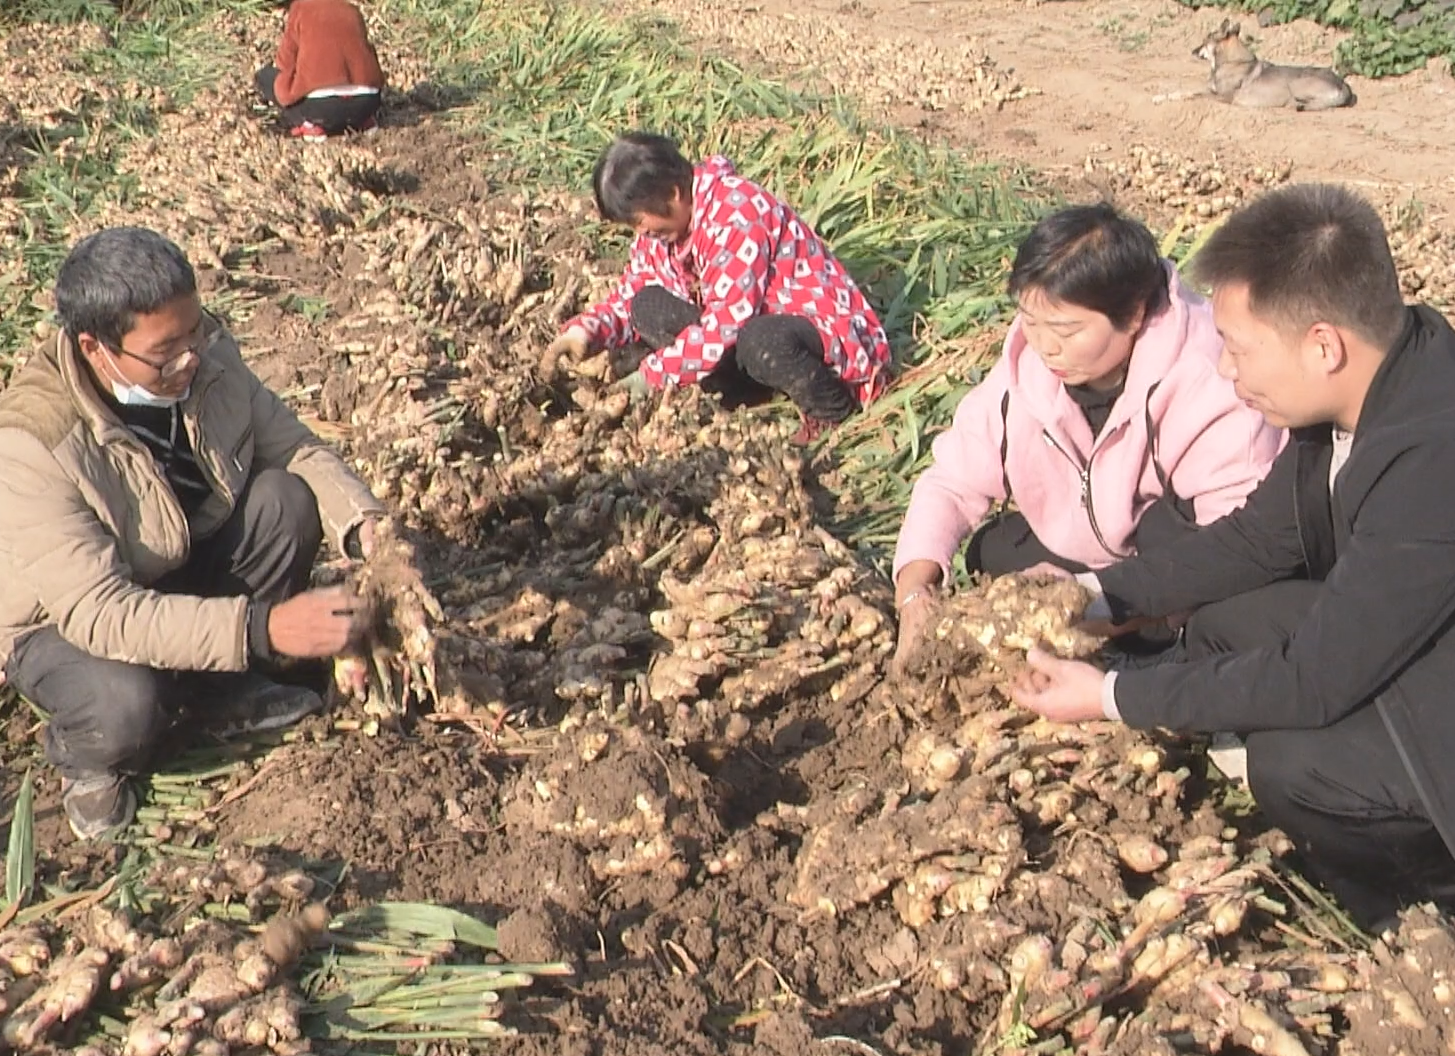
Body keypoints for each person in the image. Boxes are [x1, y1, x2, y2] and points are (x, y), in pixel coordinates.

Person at [1012, 183, 1455, 974]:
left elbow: (1315, 682)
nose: (1227, 372)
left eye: (1238, 348)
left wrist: (1104, 699)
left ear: (1322, 345)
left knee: (1294, 766)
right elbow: (1256, 541)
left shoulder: (1442, 458)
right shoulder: (1375, 384)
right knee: (1238, 623)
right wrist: (1095, 598)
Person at [0, 227, 389, 841]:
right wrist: (262, 628)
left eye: (194, 332)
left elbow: (292, 446)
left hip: (176, 561)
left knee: (286, 501)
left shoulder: (205, 354)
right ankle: (87, 757)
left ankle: (224, 691)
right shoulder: (31, 440)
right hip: (64, 623)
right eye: (168, 350)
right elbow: (101, 613)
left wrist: (366, 523)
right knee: (125, 705)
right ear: (95, 347)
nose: (192, 356)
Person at [891, 205, 1282, 670]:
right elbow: (953, 481)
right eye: (1029, 322)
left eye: (1066, 331)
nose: (1044, 346)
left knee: (1199, 584)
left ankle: (1148, 659)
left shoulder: (1206, 377)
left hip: (1169, 574)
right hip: (1085, 558)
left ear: (1134, 314)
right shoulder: (1028, 360)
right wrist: (914, 593)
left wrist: (1089, 607)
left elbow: (1233, 547)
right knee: (990, 549)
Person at [540, 133, 892, 445]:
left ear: (674, 194)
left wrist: (650, 377)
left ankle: (831, 408)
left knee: (761, 341)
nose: (642, 235)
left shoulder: (737, 213)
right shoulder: (662, 234)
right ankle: (747, 391)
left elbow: (727, 323)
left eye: (642, 222)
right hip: (744, 332)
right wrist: (586, 332)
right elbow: (634, 289)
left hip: (812, 332)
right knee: (646, 305)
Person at [253, 0, 385, 141]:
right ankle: (363, 122)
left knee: (266, 77)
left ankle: (310, 125)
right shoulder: (351, 10)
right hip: (367, 103)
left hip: (320, 108)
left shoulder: (300, 8)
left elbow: (285, 63)